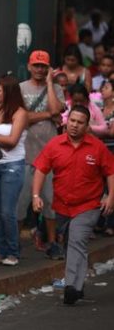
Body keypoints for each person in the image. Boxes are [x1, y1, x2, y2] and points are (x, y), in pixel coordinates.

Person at [32, 105, 114, 305]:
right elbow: (41, 169)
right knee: (73, 244)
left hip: (88, 206)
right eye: (73, 121)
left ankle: (71, 287)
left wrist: (111, 196)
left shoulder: (97, 147)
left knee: (77, 240)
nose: (75, 126)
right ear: (67, 122)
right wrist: (35, 195)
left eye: (80, 123)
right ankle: (79, 285)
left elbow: (111, 172)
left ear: (87, 126)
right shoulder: (54, 145)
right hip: (62, 207)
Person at [18, 50, 65, 258]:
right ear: (29, 66)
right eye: (36, 65)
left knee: (50, 201)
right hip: (26, 154)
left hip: (50, 156)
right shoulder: (20, 89)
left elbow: (58, 109)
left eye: (43, 66)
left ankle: (52, 242)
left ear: (48, 69)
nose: (39, 69)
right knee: (21, 202)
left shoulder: (55, 88)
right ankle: (14, 243)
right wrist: (48, 115)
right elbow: (23, 118)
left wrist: (49, 84)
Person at [0, 75, 29, 267]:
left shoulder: (20, 113)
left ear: (8, 92)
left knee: (8, 211)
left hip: (12, 165)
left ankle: (13, 251)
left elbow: (12, 141)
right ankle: (1, 251)